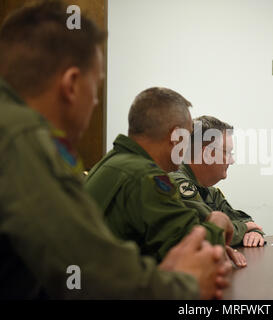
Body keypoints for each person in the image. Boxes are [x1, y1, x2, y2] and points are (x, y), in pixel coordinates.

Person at [0, 1, 230, 299]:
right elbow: (87, 267)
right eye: (95, 87)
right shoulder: (23, 138)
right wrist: (183, 284)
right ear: (71, 84)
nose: (95, 102)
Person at [84, 87, 246, 266]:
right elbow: (193, 252)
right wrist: (218, 224)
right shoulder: (146, 178)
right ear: (176, 136)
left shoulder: (111, 163)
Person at [170, 116, 265, 247]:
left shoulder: (209, 191)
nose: (232, 161)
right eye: (228, 153)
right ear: (208, 154)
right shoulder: (177, 183)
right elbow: (211, 236)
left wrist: (254, 231)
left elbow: (241, 220)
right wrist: (245, 228)